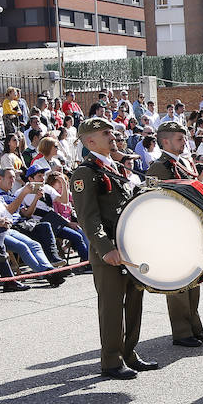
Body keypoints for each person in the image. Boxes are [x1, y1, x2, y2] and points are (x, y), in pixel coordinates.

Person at [69, 117, 154, 380]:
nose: (113, 136)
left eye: (112, 132)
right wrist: (105, 248)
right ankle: (111, 360)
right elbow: (87, 216)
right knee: (112, 305)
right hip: (108, 251)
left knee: (134, 301)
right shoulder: (86, 172)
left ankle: (129, 353)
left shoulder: (115, 167)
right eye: (106, 133)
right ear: (90, 140)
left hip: (130, 246)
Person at [146, 120, 203, 348]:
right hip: (172, 231)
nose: (184, 142)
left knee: (192, 279)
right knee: (178, 283)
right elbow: (152, 200)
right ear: (165, 141)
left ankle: (195, 326)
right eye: (179, 139)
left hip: (190, 228)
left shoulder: (185, 162)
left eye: (184, 138)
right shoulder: (159, 167)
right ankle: (181, 331)